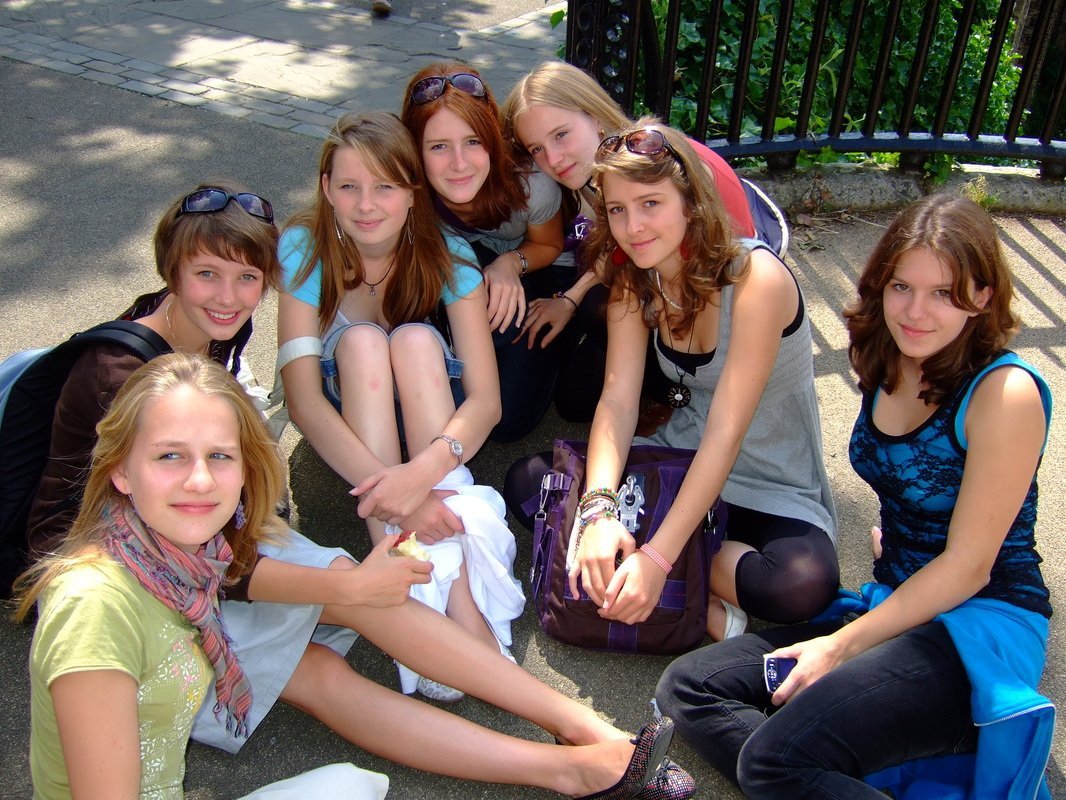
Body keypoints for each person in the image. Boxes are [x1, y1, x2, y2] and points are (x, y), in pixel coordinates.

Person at [14, 352, 697, 800]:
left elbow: (236, 569)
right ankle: (572, 767)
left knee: (351, 775)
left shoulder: (182, 557)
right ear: (121, 473)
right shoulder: (99, 605)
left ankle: (583, 743)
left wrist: (344, 587)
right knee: (331, 708)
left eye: (220, 457)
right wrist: (341, 589)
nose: (199, 480)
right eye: (170, 457)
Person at [656, 194, 1055, 798]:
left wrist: (837, 648)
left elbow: (970, 567)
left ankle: (833, 758)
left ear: (982, 295)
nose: (915, 311)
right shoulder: (888, 355)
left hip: (978, 626)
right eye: (902, 287)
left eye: (943, 293)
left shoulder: (1006, 394)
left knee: (773, 762)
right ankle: (849, 761)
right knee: (688, 689)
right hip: (895, 604)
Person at [511, 120, 838, 642]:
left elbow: (726, 433)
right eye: (617, 210)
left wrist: (659, 558)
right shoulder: (633, 279)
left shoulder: (757, 279)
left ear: (691, 203)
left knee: (800, 585)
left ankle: (656, 577)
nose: (633, 226)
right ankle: (687, 594)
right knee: (528, 482)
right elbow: (617, 402)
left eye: (650, 204)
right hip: (678, 461)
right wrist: (598, 512)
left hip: (768, 477)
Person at [278, 110, 524, 701]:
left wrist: (421, 477)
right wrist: (402, 498)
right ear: (325, 189)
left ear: (414, 192)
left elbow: (486, 400)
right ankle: (415, 576)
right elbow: (303, 400)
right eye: (349, 186)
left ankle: (449, 600)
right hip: (349, 406)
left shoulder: (449, 254)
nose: (366, 205)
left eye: (385, 186)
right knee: (363, 343)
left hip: (426, 407)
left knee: (414, 339)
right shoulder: (303, 247)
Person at [27, 181, 281, 559]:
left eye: (247, 276)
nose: (228, 298)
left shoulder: (210, 322)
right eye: (207, 274)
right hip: (90, 551)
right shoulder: (120, 375)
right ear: (173, 273)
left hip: (174, 516)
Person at [501, 60, 758, 424]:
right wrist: (571, 298)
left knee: (598, 306)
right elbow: (618, 247)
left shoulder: (651, 161)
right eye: (536, 149)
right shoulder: (598, 171)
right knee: (575, 402)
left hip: (718, 298)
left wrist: (575, 298)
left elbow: (704, 271)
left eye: (561, 135)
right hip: (661, 283)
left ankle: (675, 396)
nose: (553, 159)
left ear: (594, 116)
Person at [400, 63, 565, 441]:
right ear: (414, 150)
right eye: (438, 146)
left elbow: (550, 245)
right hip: (454, 271)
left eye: (473, 141)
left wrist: (511, 263)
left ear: (492, 138)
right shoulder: (403, 188)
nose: (459, 163)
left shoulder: (530, 185)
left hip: (528, 269)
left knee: (508, 423)